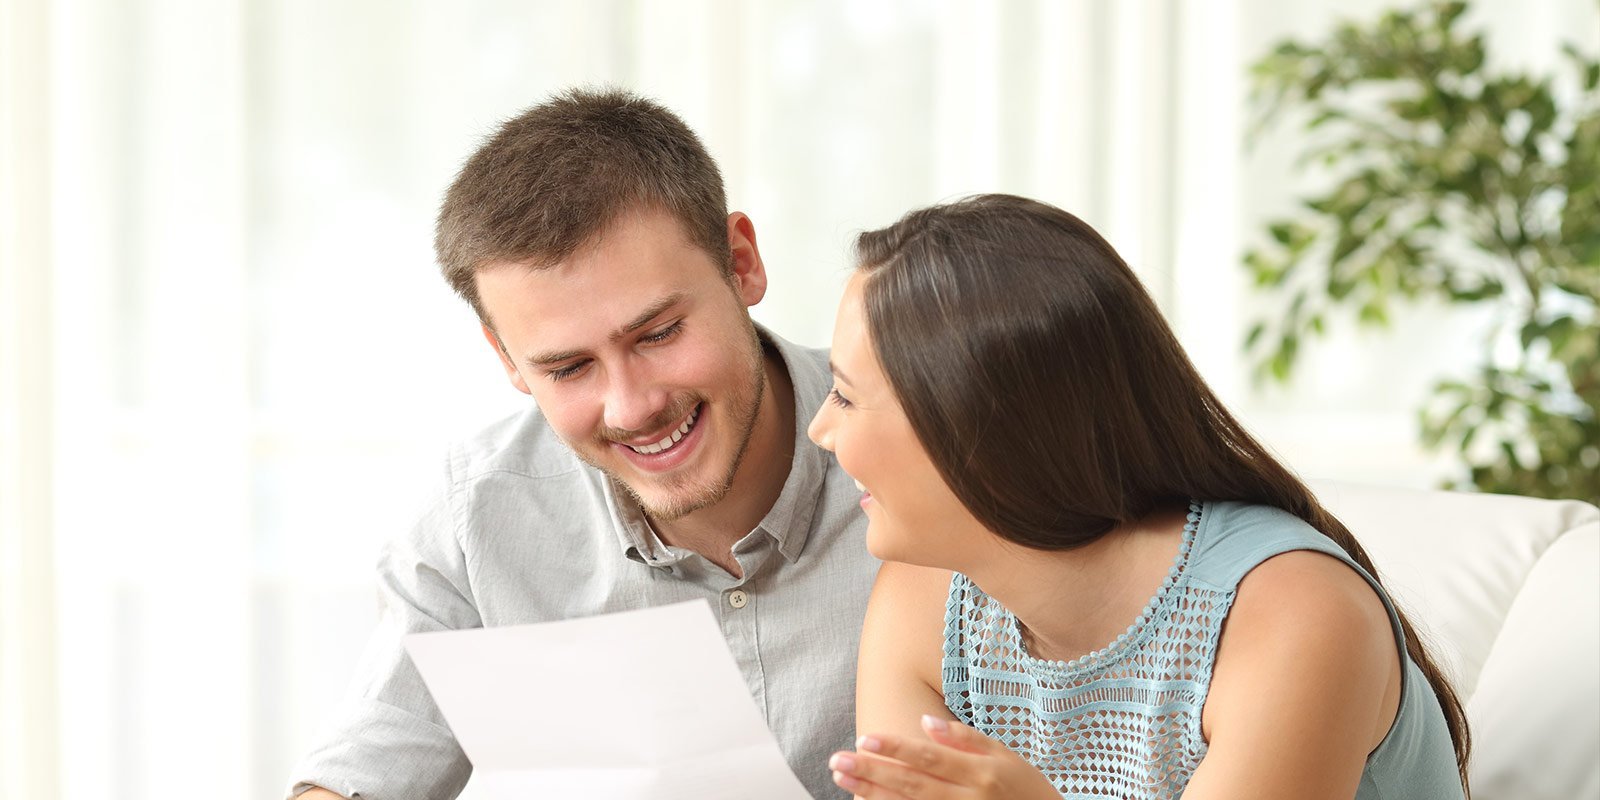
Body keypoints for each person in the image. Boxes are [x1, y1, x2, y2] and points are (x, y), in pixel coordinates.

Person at [288, 88, 877, 800]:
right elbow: (370, 761)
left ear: (741, 262)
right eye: (567, 368)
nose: (633, 408)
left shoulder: (935, 455)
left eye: (658, 334)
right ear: (507, 358)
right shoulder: (477, 514)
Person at [806, 194, 1472, 799]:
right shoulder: (925, 599)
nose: (821, 430)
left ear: (977, 427)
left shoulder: (1295, 616)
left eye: (845, 395)